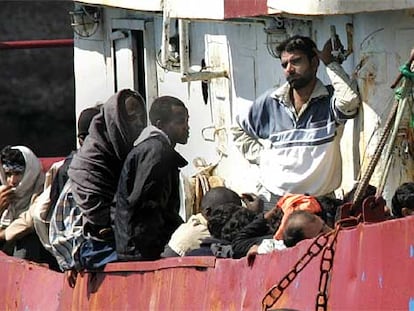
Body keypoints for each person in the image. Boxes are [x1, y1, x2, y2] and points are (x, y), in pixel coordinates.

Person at [232, 35, 361, 209]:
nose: (289, 69)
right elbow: (238, 128)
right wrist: (262, 157)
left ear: (314, 63)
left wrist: (330, 63)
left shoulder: (329, 100)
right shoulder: (271, 102)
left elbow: (350, 100)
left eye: (296, 61)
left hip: (319, 202)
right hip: (275, 201)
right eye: (284, 64)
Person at [68, 89, 147, 269]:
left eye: (142, 117)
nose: (140, 124)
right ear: (116, 120)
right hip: (99, 245)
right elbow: (99, 216)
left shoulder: (133, 151)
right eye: (132, 118)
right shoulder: (88, 162)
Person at [113, 96, 189, 261]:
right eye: (180, 121)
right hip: (140, 252)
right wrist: (156, 249)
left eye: (187, 121)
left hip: (135, 248)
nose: (186, 127)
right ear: (161, 124)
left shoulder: (153, 149)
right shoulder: (156, 152)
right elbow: (147, 205)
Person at [162, 186, 244, 258]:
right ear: (208, 212)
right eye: (230, 211)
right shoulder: (199, 232)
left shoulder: (193, 224)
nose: (237, 217)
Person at [0, 146, 45, 261]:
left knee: (27, 239)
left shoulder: (43, 188)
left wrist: (3, 234)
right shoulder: (4, 193)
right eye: (8, 174)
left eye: (18, 173)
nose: (12, 180)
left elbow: (29, 222)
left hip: (38, 250)